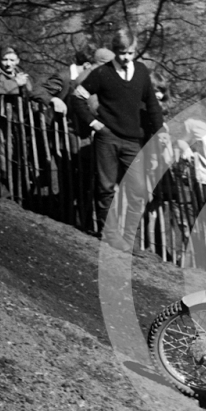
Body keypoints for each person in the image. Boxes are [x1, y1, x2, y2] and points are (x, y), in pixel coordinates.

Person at [72, 27, 164, 251]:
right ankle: (110, 236)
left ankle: (131, 238)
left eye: (131, 53)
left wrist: (160, 133)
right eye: (122, 53)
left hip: (134, 140)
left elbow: (152, 105)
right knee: (106, 187)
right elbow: (78, 96)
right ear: (115, 51)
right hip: (108, 136)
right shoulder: (102, 73)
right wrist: (94, 123)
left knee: (138, 189)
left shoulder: (141, 72)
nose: (126, 57)